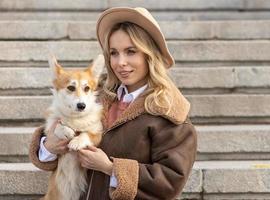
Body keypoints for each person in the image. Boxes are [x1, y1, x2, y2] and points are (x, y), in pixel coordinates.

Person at [29, 7, 197, 200]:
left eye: (131, 52)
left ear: (149, 55)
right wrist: (49, 146)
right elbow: (50, 154)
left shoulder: (169, 111)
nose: (120, 62)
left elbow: (170, 181)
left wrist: (110, 168)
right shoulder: (94, 96)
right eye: (114, 53)